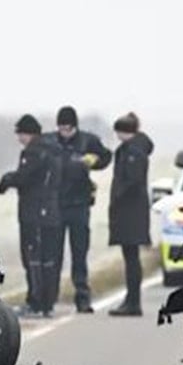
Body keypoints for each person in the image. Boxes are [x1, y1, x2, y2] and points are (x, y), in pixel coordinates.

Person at [0, 114, 64, 319]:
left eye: (21, 134)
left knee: (33, 258)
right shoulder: (54, 150)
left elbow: (23, 177)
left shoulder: (34, 152)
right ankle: (48, 302)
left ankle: (36, 303)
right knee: (49, 259)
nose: (19, 139)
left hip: (33, 212)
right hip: (51, 210)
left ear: (29, 133)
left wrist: (6, 180)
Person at [51, 105, 112, 313]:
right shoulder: (50, 142)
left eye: (68, 128)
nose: (64, 132)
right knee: (54, 254)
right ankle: (49, 299)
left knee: (80, 253)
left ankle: (83, 298)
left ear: (75, 126)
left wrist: (95, 162)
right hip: (56, 206)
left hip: (80, 205)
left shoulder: (88, 141)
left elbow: (106, 156)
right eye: (61, 127)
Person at [108, 113, 153, 317]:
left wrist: (117, 195)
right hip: (132, 211)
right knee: (130, 257)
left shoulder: (133, 151)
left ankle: (133, 301)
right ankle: (131, 299)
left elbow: (132, 180)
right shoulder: (133, 149)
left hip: (130, 211)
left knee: (131, 258)